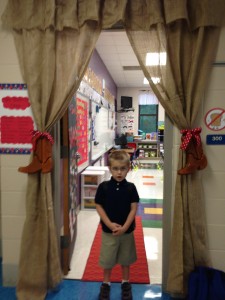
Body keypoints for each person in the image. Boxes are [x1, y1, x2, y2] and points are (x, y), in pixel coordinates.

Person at [95, 150, 140, 300]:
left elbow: (133, 208)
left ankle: (125, 283)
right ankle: (106, 284)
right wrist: (109, 224)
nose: (119, 172)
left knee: (125, 259)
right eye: (115, 168)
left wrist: (125, 227)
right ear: (110, 169)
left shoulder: (131, 188)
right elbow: (99, 206)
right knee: (107, 260)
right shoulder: (104, 187)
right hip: (109, 231)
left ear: (128, 168)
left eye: (123, 168)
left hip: (126, 232)